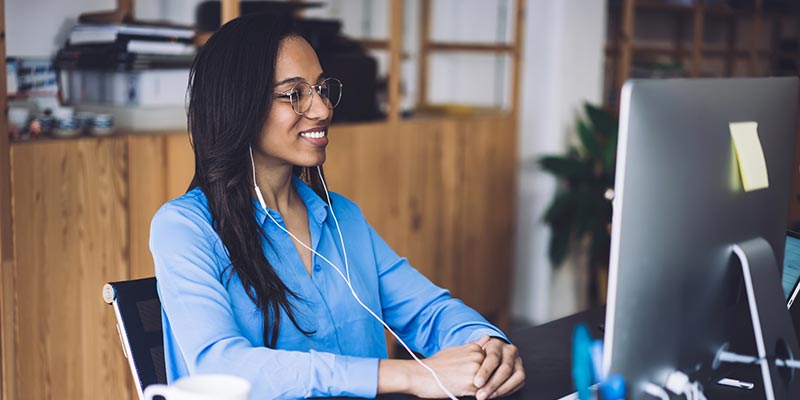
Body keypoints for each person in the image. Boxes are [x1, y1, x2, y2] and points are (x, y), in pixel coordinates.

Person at [149, 13, 524, 400]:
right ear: (239, 104)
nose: (323, 109)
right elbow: (222, 368)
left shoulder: (343, 218)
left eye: (321, 88)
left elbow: (428, 311)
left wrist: (487, 344)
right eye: (295, 94)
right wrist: (407, 376)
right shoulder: (184, 228)